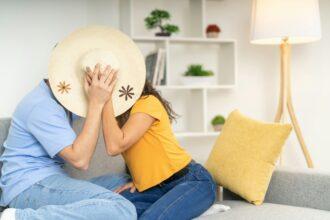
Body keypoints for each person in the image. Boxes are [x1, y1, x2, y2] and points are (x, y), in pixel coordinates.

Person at [0, 64, 136, 220]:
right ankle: (18, 217)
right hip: (27, 187)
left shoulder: (65, 99)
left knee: (123, 183)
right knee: (123, 209)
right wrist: (96, 103)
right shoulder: (41, 104)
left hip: (54, 179)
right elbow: (80, 160)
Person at [101, 66, 217, 220]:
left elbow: (115, 146)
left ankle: (193, 206)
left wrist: (105, 99)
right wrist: (141, 179)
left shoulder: (147, 102)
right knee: (112, 212)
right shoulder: (119, 115)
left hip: (190, 180)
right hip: (153, 188)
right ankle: (190, 210)